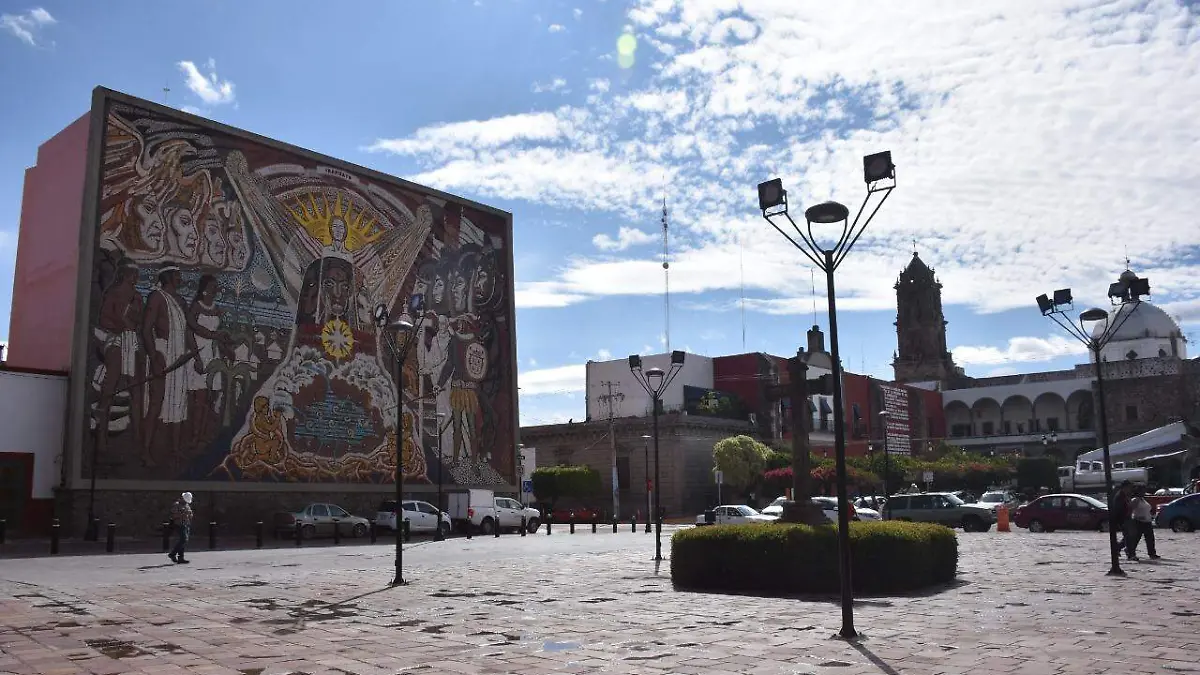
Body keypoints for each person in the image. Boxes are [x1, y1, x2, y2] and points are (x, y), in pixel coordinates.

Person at [1127, 486, 1159, 561]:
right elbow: (1131, 510)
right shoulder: (1135, 500)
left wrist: (1151, 516)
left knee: (1150, 539)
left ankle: (1152, 553)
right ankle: (1130, 552)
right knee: (1136, 539)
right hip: (1139, 522)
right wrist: (1136, 518)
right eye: (1142, 491)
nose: (1144, 492)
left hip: (1147, 521)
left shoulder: (1143, 500)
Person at [169, 491, 193, 564]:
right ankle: (173, 554)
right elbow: (173, 515)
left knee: (184, 541)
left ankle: (180, 557)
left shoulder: (187, 505)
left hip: (186, 524)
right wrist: (183, 514)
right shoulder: (176, 505)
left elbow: (190, 514)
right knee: (183, 539)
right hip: (179, 524)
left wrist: (189, 514)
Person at [1112, 481, 1133, 557]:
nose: (1130, 489)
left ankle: (1117, 548)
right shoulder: (1119, 496)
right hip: (1123, 519)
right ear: (1125, 487)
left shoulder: (1125, 495)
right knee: (1129, 537)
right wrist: (1121, 521)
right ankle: (1130, 554)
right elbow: (1118, 509)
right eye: (1129, 487)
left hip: (1127, 518)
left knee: (1129, 536)